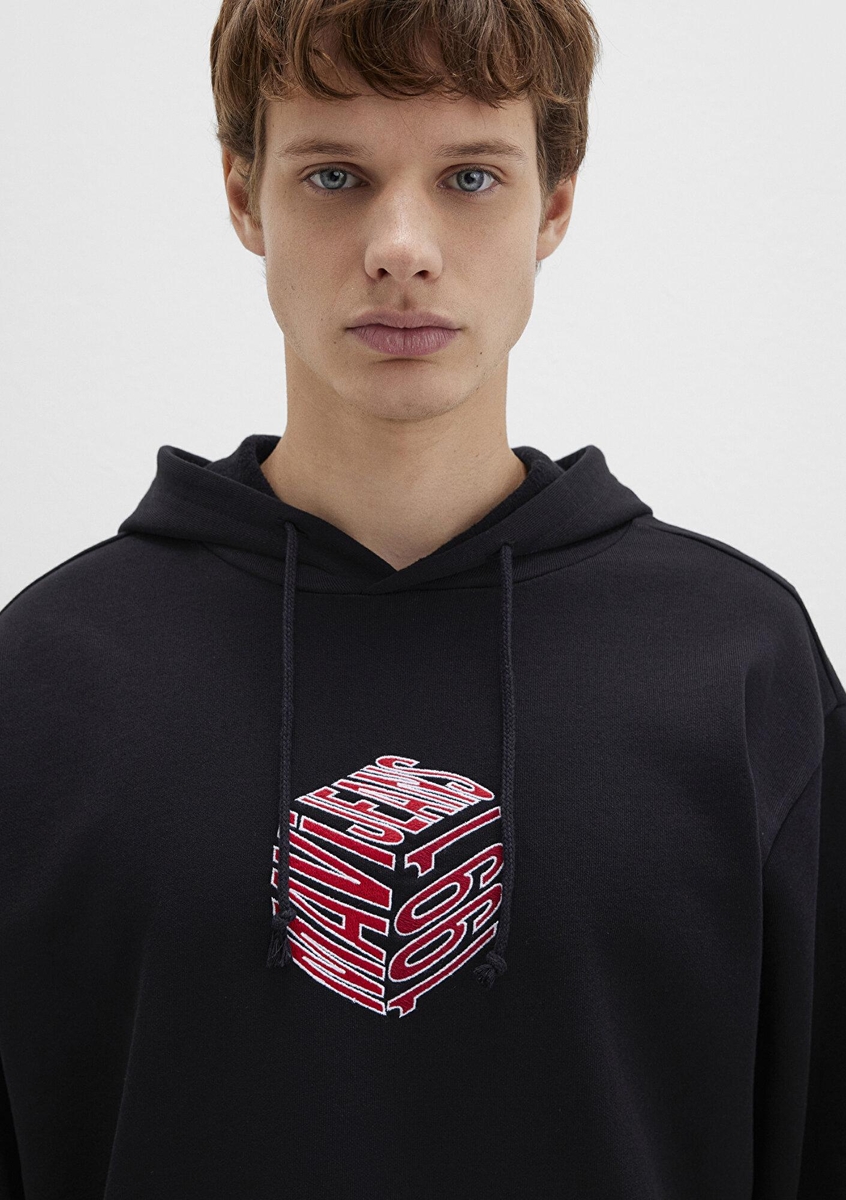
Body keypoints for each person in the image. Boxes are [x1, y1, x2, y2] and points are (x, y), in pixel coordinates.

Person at [0, 0, 843, 1196]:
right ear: (244, 196)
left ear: (555, 205)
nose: (401, 245)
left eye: (470, 177)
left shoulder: (738, 664)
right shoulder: (48, 675)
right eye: (335, 175)